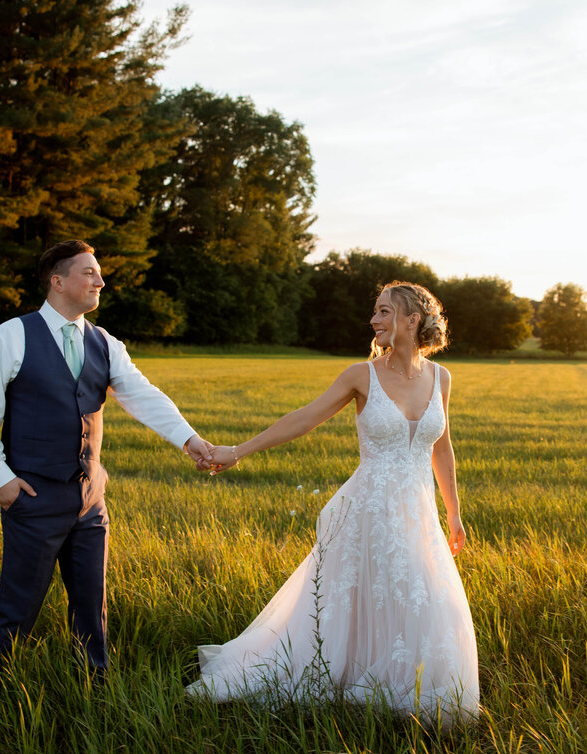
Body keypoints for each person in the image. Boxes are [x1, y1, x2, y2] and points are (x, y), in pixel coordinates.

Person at [188, 281, 479, 724]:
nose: (374, 320)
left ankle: (406, 685)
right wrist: (237, 451)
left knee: (416, 597)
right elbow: (303, 418)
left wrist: (454, 513)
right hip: (366, 512)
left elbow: (442, 449)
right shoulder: (360, 375)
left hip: (418, 516)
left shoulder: (442, 378)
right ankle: (344, 679)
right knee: (355, 602)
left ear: (411, 320)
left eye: (384, 312)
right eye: (375, 312)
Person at [0, 239, 213, 675]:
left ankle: (93, 686)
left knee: (91, 603)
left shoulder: (105, 343)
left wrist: (189, 439)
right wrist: (0, 479)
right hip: (32, 495)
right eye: (89, 272)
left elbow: (142, 395)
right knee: (19, 605)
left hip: (89, 499)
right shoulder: (8, 337)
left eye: (98, 273)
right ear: (57, 281)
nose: (100, 280)